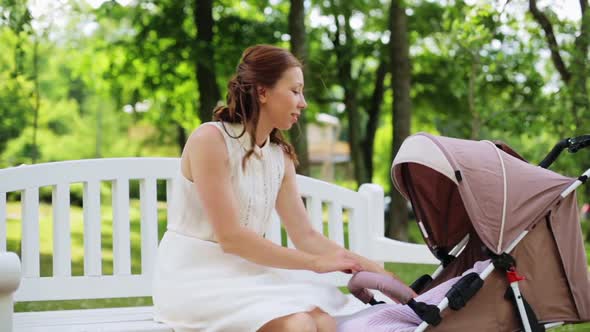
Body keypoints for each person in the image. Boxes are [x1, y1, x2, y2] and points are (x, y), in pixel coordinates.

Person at [152, 44, 411, 332]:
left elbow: (306, 235)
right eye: (295, 91)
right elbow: (231, 238)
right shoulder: (210, 140)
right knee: (297, 325)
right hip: (195, 277)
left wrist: (378, 271)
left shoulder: (279, 156)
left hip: (246, 274)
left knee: (323, 321)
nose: (304, 103)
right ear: (262, 92)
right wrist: (316, 263)